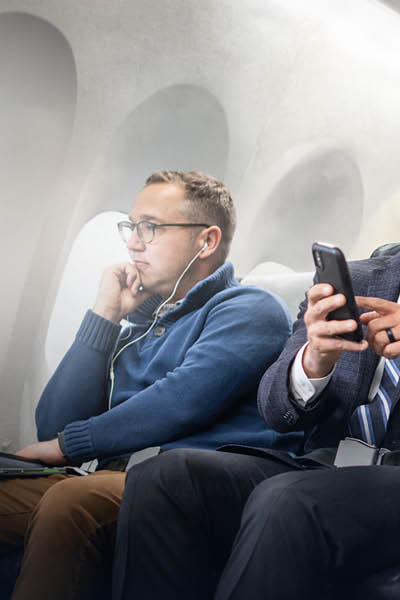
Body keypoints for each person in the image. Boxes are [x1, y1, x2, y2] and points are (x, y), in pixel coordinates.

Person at [111, 120, 400, 600]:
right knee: (162, 477)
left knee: (286, 503)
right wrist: (315, 360)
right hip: (319, 462)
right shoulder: (351, 276)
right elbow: (276, 409)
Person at [0, 171, 298, 600]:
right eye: (131, 227)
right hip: (113, 482)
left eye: (150, 228)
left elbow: (183, 399)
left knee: (72, 501)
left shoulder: (249, 308)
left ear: (206, 241)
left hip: (186, 490)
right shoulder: (141, 330)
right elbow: (55, 424)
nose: (133, 242)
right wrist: (105, 317)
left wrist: (69, 445)